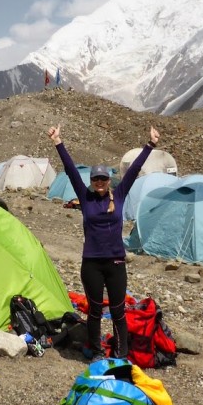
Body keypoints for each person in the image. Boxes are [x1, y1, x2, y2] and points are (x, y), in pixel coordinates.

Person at [49, 123, 160, 362]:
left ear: (109, 180)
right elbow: (69, 169)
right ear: (91, 181)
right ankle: (97, 353)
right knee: (95, 310)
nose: (99, 181)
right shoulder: (85, 196)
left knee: (119, 311)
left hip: (116, 262)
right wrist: (58, 142)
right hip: (91, 264)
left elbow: (134, 170)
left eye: (103, 178)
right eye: (96, 178)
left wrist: (150, 144)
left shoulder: (119, 195)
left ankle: (121, 354)